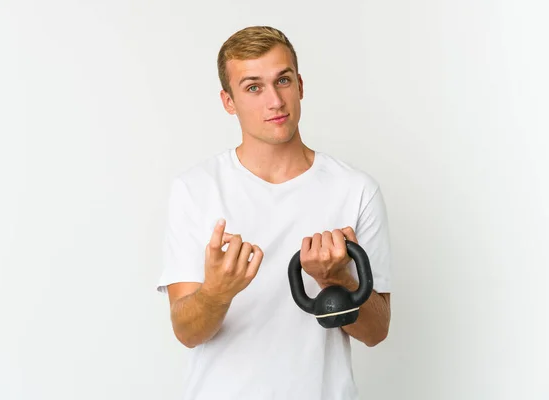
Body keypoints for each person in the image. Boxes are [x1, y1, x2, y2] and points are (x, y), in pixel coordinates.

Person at [156, 25, 392, 400]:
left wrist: (339, 280)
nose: (275, 101)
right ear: (228, 101)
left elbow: (377, 332)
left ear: (300, 85)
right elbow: (187, 332)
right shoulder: (196, 188)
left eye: (282, 81)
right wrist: (217, 293)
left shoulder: (356, 189)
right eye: (253, 87)